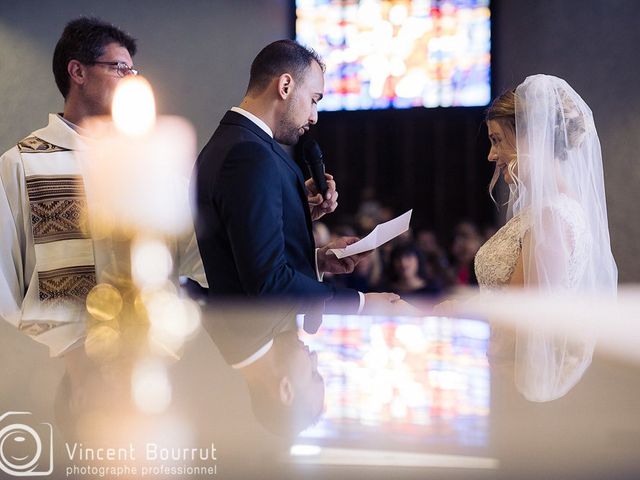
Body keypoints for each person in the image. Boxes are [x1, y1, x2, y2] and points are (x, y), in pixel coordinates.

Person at [0, 17, 206, 357]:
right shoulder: (22, 163)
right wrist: (28, 362)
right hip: (55, 357)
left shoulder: (151, 161)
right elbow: (3, 282)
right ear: (78, 72)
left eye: (133, 72)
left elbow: (200, 253)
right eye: (120, 69)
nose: (131, 82)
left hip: (144, 347)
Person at [193, 40, 400, 317]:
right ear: (286, 86)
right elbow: (267, 282)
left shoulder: (238, 142)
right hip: (258, 344)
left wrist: (317, 257)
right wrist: (359, 303)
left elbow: (246, 255)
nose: (314, 117)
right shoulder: (248, 154)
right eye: (314, 100)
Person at [474, 74, 617, 400]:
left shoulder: (551, 218)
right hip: (507, 372)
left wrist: (457, 319)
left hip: (514, 382)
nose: (491, 156)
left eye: (497, 140)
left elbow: (525, 324)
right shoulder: (547, 210)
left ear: (532, 137)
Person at [203, 302, 323, 437]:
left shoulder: (264, 307)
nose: (315, 357)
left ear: (286, 389)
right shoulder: (227, 341)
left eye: (313, 373)